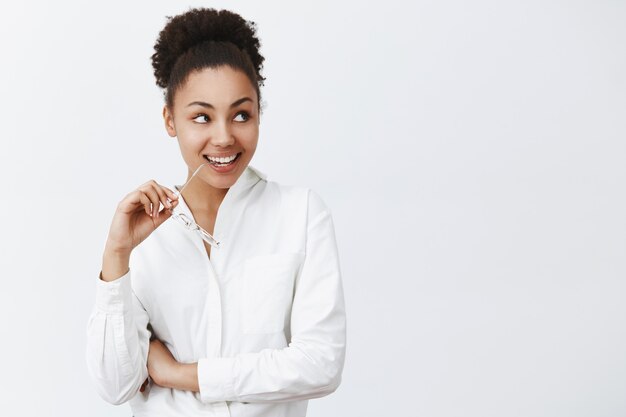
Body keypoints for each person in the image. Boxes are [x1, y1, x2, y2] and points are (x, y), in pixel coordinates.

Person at [84, 7, 347, 417]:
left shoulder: (301, 214)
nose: (224, 137)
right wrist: (116, 255)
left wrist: (180, 374)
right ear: (170, 119)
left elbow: (320, 365)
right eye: (202, 117)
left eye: (242, 114)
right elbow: (115, 386)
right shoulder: (142, 236)